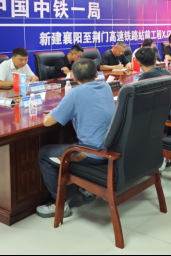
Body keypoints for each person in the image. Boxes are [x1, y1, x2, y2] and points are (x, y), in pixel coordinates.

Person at [37, 59, 115, 218]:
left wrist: (55, 110)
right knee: (73, 140)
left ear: (73, 77)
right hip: (111, 148)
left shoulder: (75, 93)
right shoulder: (106, 87)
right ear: (96, 74)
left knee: (44, 154)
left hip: (92, 153)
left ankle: (59, 203)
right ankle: (86, 187)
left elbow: (47, 122)